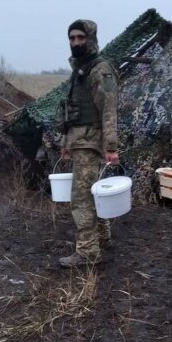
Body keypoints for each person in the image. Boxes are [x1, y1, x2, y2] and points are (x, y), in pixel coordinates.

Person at [59, 19, 119, 268]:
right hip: (79, 139)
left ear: (91, 39)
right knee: (91, 193)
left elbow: (109, 110)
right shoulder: (80, 69)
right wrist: (65, 142)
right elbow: (71, 111)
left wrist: (112, 147)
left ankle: (87, 252)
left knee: (81, 198)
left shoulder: (99, 69)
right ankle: (102, 237)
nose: (76, 42)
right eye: (72, 38)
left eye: (80, 38)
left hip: (90, 141)